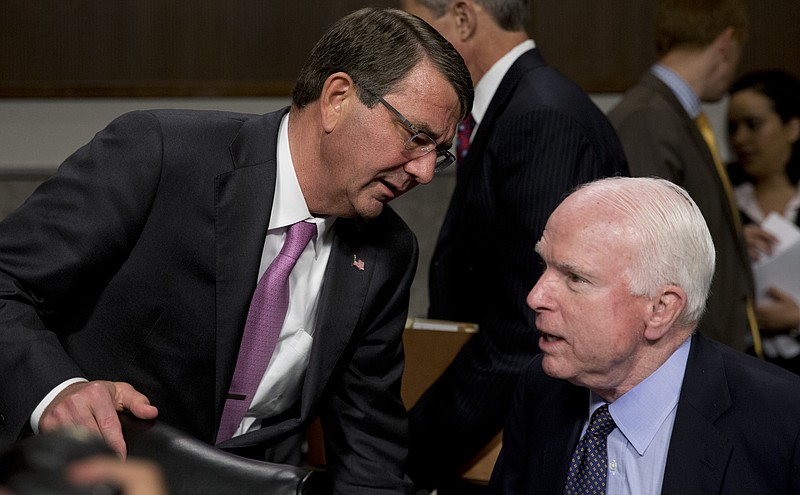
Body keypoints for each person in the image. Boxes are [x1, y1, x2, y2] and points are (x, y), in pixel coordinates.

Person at [0, 7, 473, 494]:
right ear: (337, 99)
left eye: (437, 154)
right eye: (416, 137)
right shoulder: (160, 153)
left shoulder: (389, 252)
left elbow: (368, 443)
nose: (422, 172)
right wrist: (58, 393)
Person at [399, 0, 628, 491]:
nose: (407, 48)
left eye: (418, 28)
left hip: (528, 424)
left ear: (462, 19)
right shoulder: (519, 104)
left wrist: (409, 455)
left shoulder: (539, 116)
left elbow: (531, 323)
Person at [489, 176, 800, 494]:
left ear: (661, 309)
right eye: (543, 266)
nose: (536, 296)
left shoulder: (784, 422)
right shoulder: (541, 388)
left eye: (575, 277)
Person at [608, 0, 759, 354]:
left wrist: (730, 235)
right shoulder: (648, 118)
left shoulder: (672, 115)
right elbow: (656, 253)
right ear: (727, 43)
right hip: (688, 350)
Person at [727, 70, 800, 374]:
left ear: (792, 128)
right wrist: (727, 240)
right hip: (745, 366)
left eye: (753, 125)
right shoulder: (724, 203)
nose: (740, 139)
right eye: (733, 128)